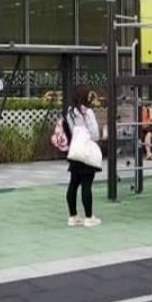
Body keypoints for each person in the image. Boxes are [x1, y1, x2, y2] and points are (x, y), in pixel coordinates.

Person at [62, 85, 102, 227]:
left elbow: (71, 131)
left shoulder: (70, 113)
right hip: (87, 152)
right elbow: (95, 134)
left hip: (75, 151)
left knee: (73, 183)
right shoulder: (88, 112)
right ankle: (89, 217)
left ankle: (73, 216)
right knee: (86, 185)